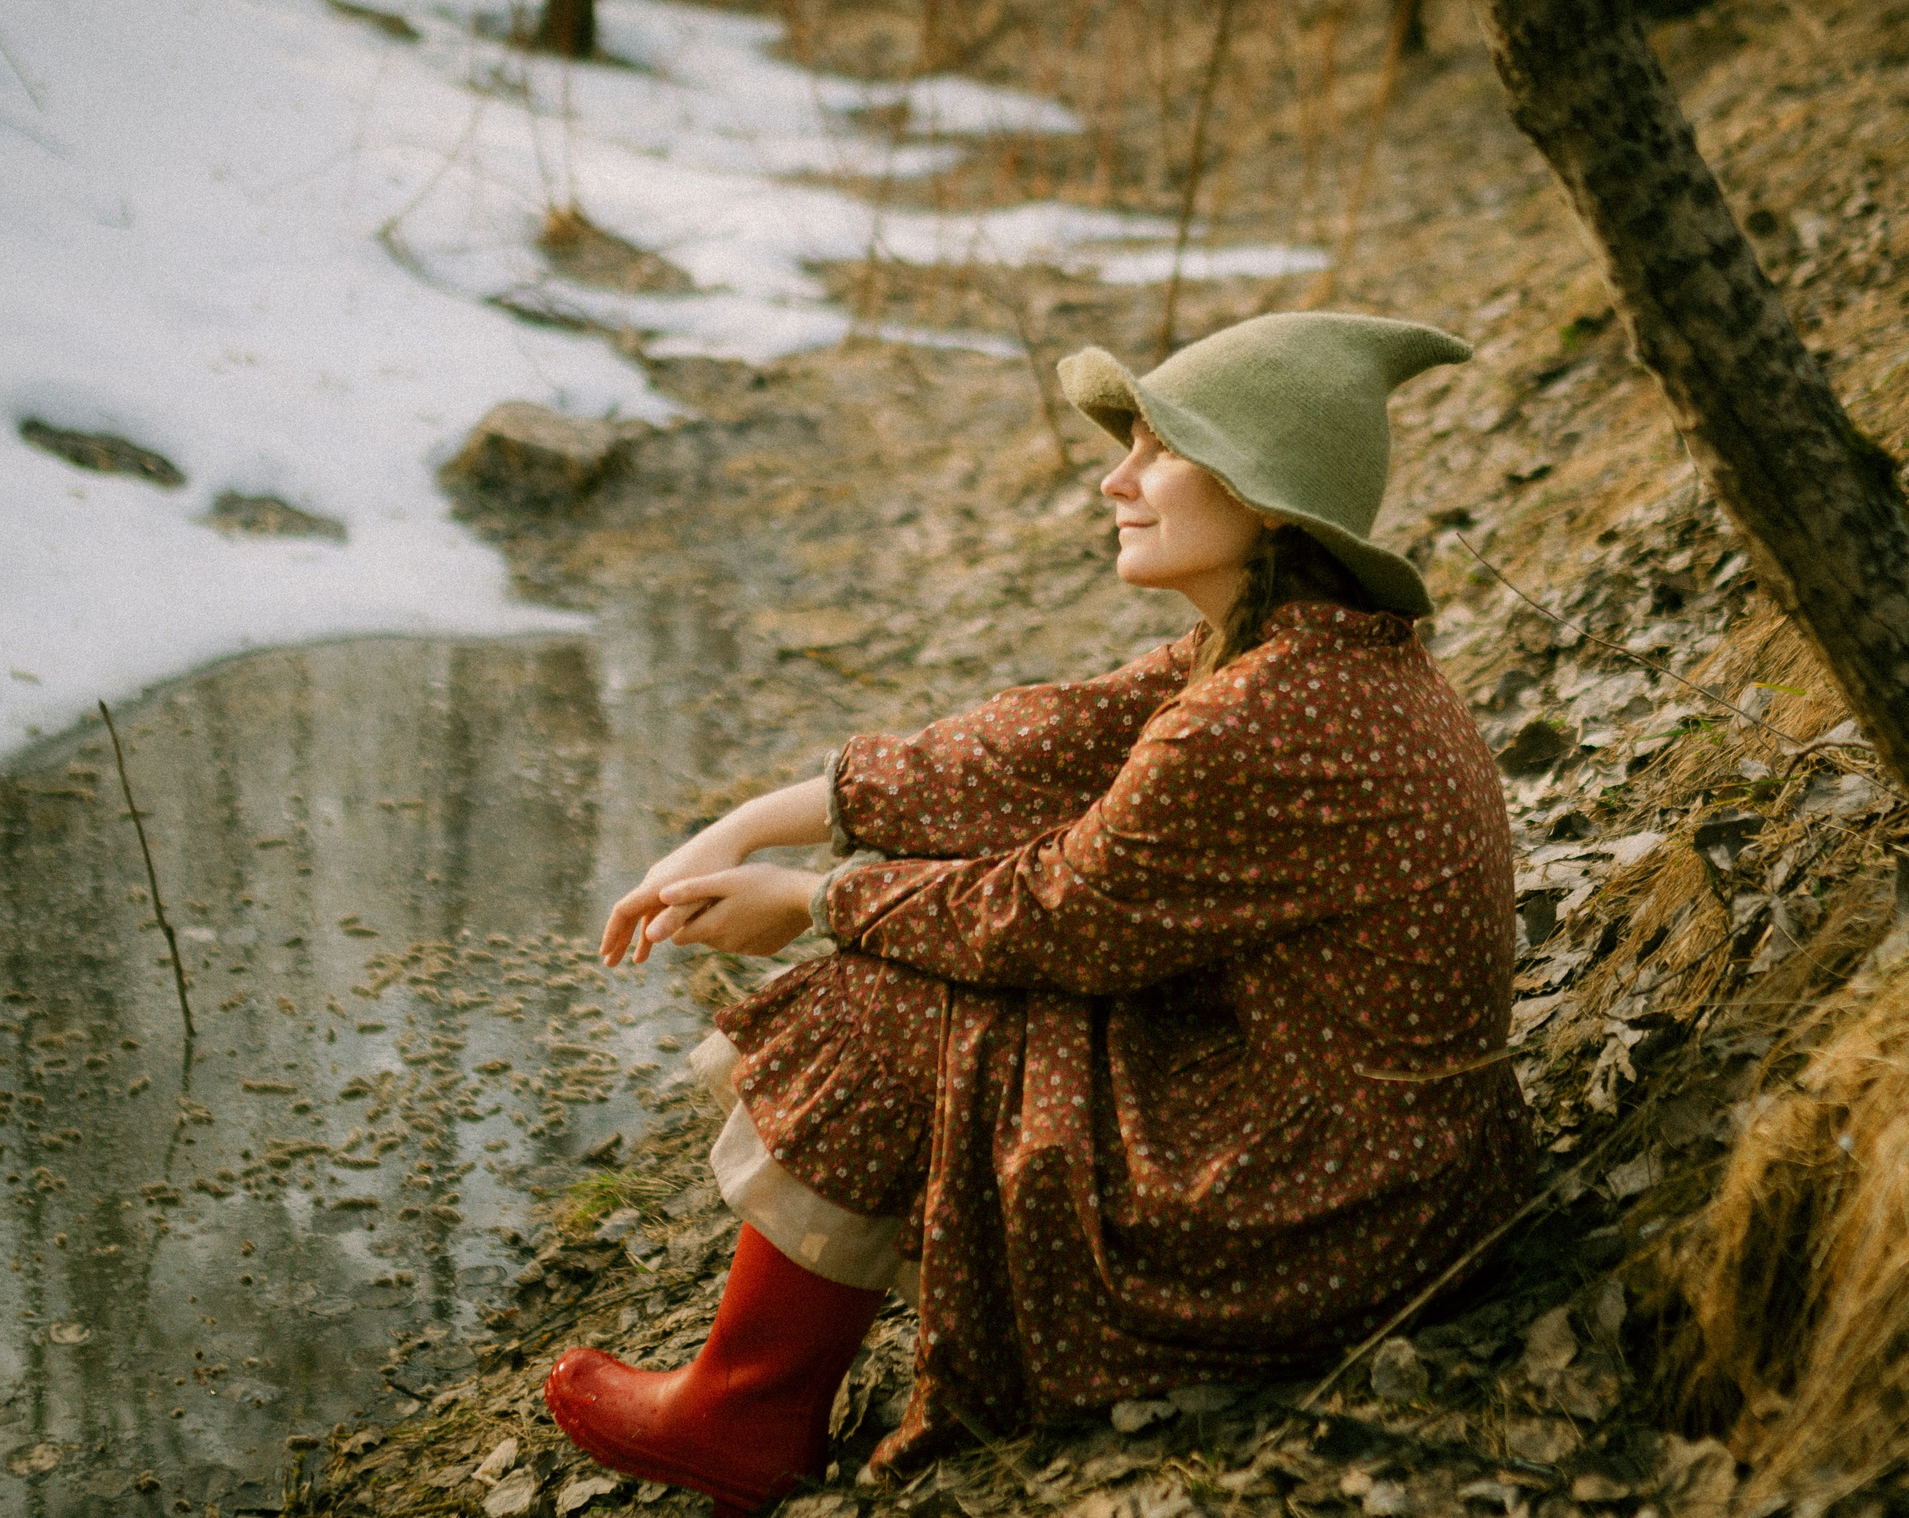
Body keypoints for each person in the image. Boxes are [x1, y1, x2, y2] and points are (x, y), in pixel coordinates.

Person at [543, 312, 1535, 1516]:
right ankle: (756, 1392)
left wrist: (812, 899)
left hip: (1323, 1216)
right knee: (910, 941)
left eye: (1158, 448)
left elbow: (1050, 911)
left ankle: (740, 1410)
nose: (1116, 477)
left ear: (1266, 498)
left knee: (895, 992)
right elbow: (1035, 747)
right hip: (1396, 1170)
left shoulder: (1258, 716)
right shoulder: (1284, 650)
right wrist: (760, 818)